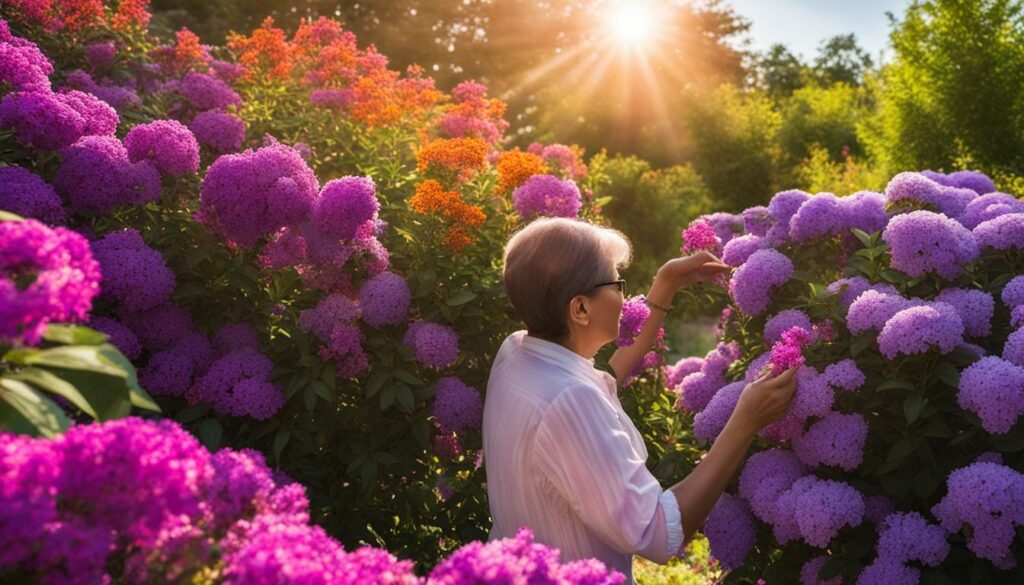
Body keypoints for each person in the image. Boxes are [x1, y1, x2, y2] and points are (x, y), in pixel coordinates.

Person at [483, 217, 798, 582]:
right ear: (580, 309)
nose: (623, 294)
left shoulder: (518, 353)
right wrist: (745, 422)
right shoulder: (570, 400)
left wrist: (665, 285)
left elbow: (609, 373)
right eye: (616, 283)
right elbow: (658, 533)